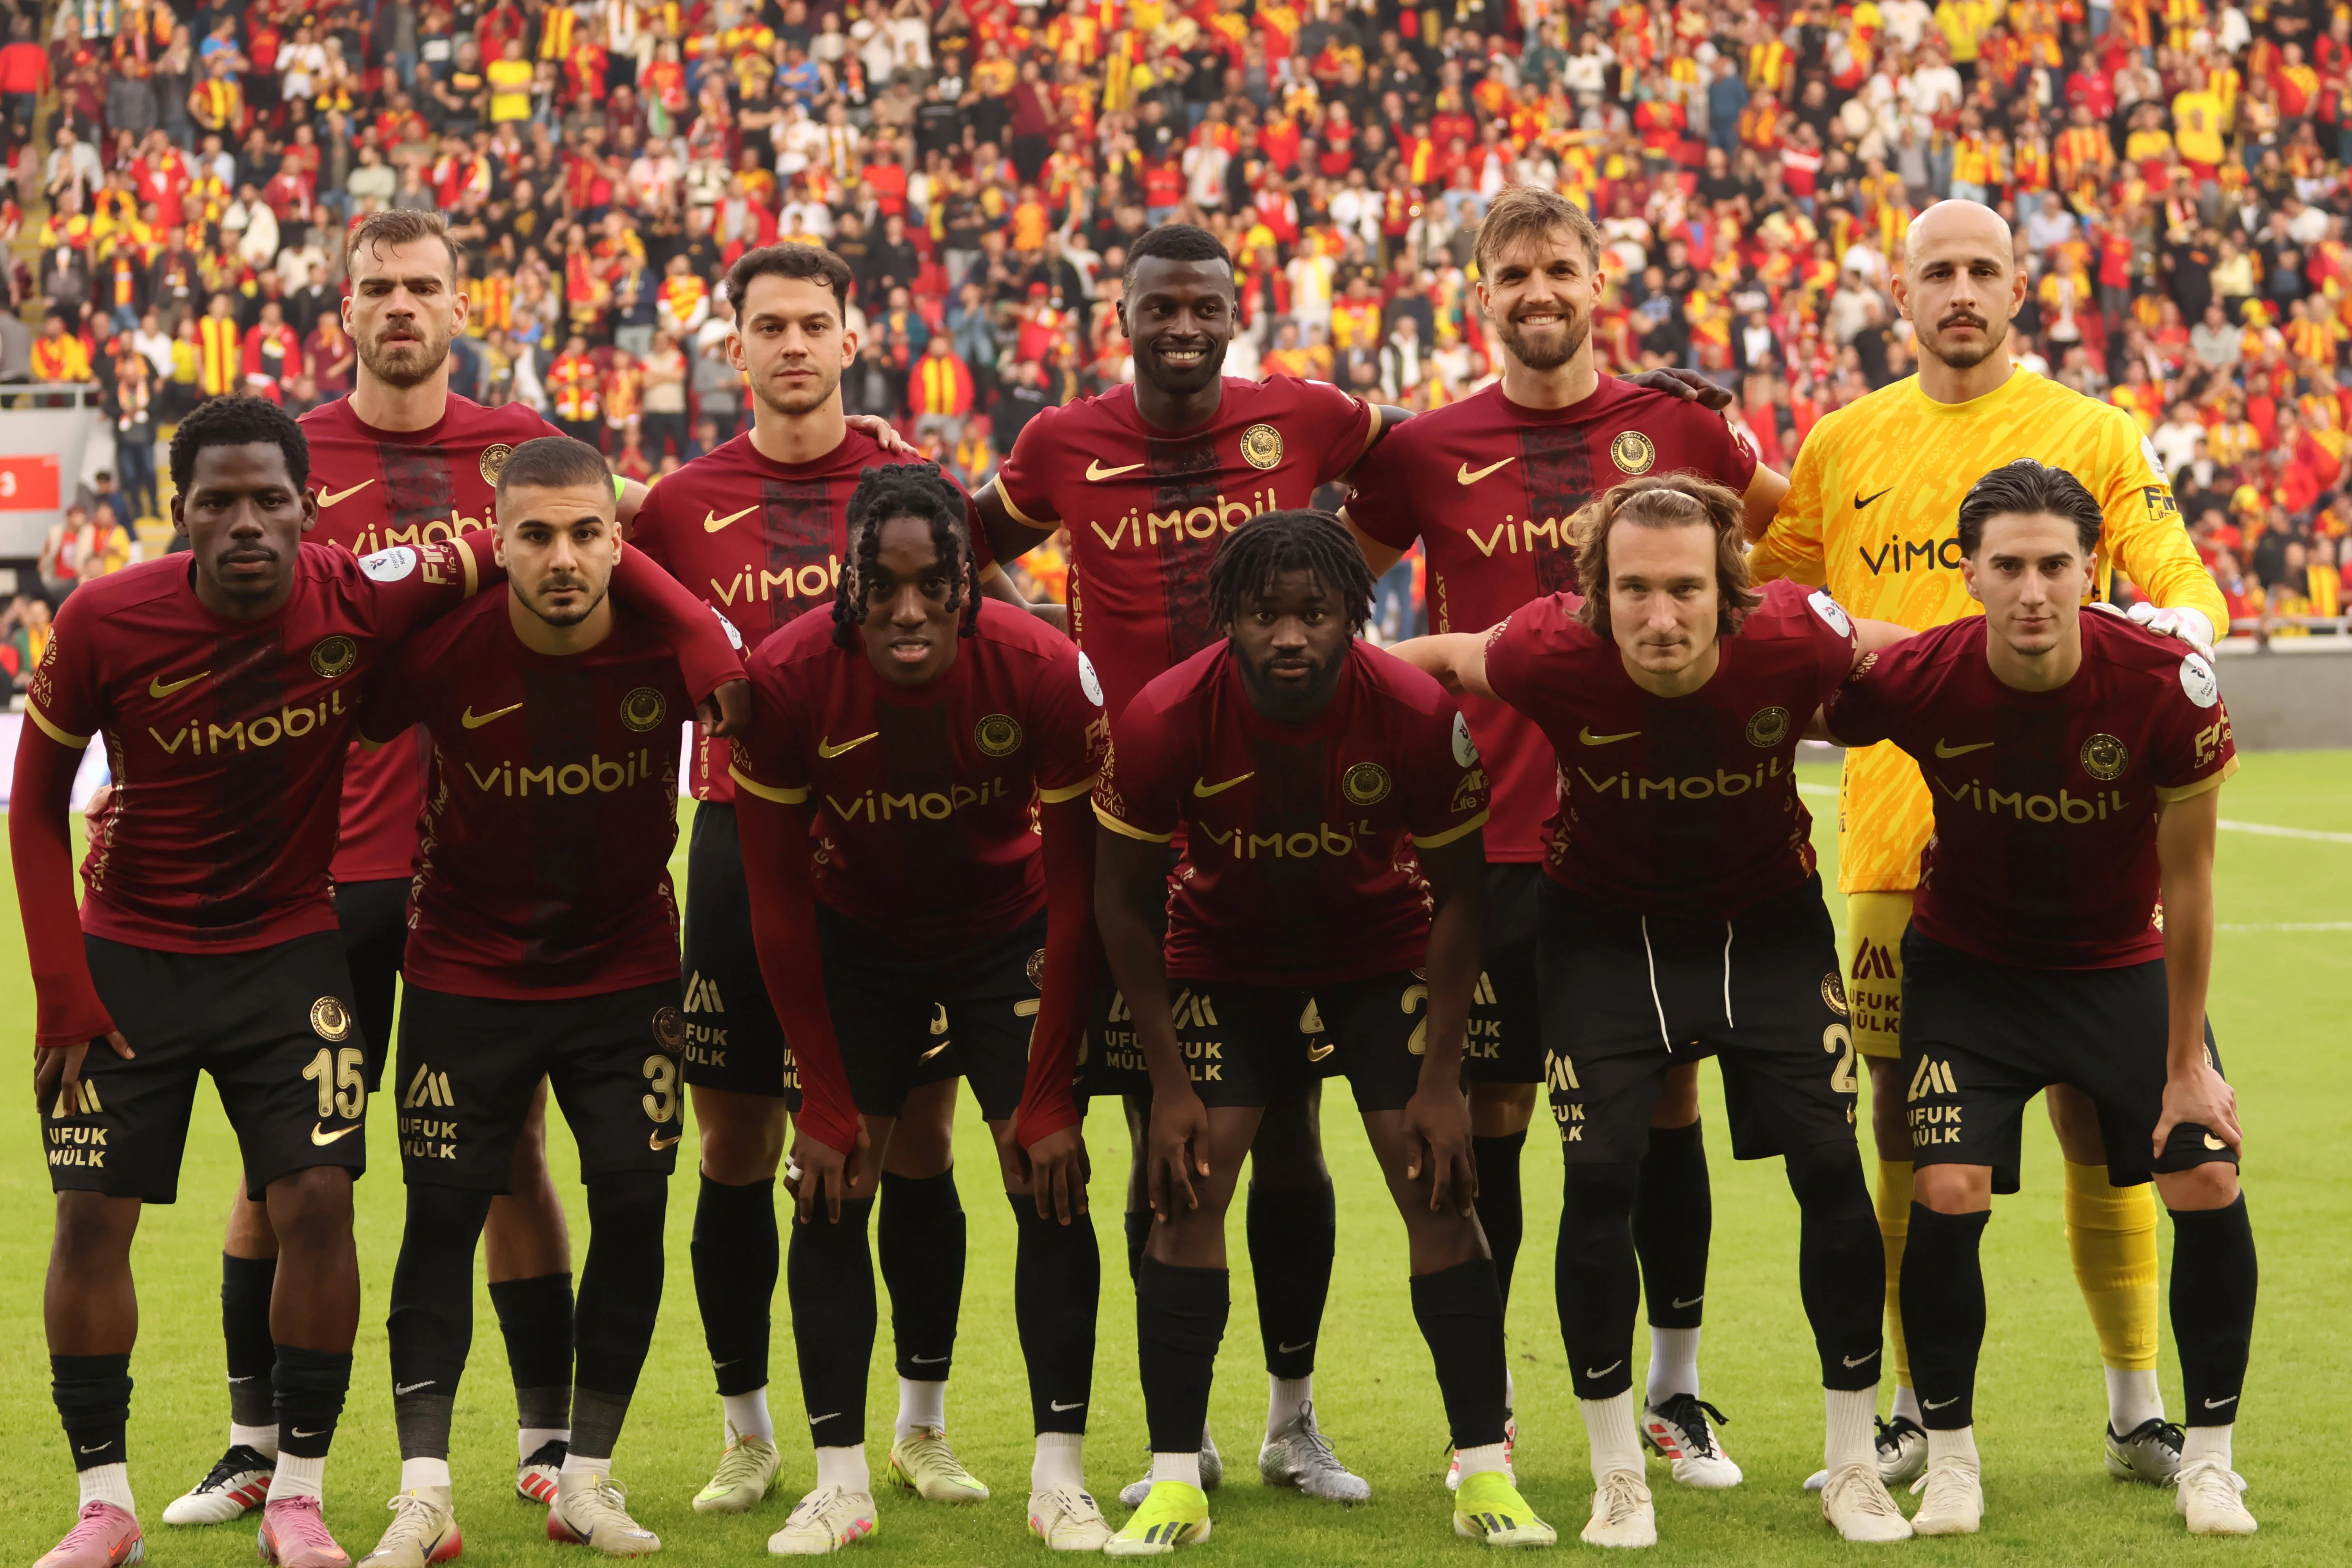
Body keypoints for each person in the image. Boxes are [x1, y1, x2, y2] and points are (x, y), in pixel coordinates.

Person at [1746, 198, 2234, 1488]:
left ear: (2020, 290)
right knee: (1914, 1143)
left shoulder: (2092, 431)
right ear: (1897, 296)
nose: (1960, 292)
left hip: (2076, 851)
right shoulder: (1846, 441)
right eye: (1936, 274)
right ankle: (1916, 1410)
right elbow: (1783, 584)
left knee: (2098, 1127)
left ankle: (2137, 1408)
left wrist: (2184, 628)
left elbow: (2176, 572)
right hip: (1895, 854)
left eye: (1983, 271)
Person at [1342, 183, 1786, 1490]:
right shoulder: (1424, 450)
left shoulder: (1681, 424)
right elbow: (1317, 582)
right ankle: (1497, 1408)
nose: (1539, 292)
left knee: (1663, 1100)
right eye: (1512, 273)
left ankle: (1676, 1394)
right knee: (1490, 1115)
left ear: (1600, 281)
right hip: (1484, 841)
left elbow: (1796, 530)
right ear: (1479, 297)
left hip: (1655, 835)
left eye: (1560, 268)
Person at [15, 396, 505, 1568]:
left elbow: (528, 527)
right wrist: (60, 985)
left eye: (270, 501)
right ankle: (104, 1505)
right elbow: (33, 808)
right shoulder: (102, 618)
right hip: (129, 957)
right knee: (90, 1218)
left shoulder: (359, 593)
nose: (246, 523)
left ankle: (296, 1492)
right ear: (178, 512)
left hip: (290, 950)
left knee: (318, 1205)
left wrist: (693, 631)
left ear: (308, 508)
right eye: (218, 502)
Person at [1391, 476, 1914, 1547]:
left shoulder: (1795, 633)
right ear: (1598, 589)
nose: (1660, 617)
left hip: (1765, 932)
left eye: (1685, 589)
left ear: (1731, 590)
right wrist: (1264, 693)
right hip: (1603, 936)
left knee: (1831, 1171)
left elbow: (1910, 655)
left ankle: (1855, 1464)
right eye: (1634, 590)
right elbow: (1438, 659)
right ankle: (1616, 1470)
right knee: (1597, 1178)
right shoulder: (1548, 646)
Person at [976, 223, 1409, 1503]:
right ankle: (1189, 1426)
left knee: (1292, 1130)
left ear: (1234, 313)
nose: (1182, 325)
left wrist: (1346, 583)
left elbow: (1418, 468)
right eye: (1158, 305)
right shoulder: (1062, 442)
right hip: (1135, 825)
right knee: (1161, 1132)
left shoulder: (1309, 416)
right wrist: (1058, 652)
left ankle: (1292, 1418)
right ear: (1123, 313)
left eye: (1203, 306)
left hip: (1286, 819)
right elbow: (970, 543)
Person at [628, 243, 1020, 1517]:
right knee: (737, 1143)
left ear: (853, 341)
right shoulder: (681, 504)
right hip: (747, 845)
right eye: (767, 327)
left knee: (915, 1138)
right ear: (730, 351)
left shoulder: (915, 486)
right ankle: (748, 1432)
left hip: (911, 858)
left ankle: (921, 1424)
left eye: (815, 324)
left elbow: (1002, 628)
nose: (792, 346)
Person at [1093, 509, 1552, 1554]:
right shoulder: (1166, 716)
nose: (1291, 635)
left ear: (1360, 611)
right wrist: (1167, 1083)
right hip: (1223, 961)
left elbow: (1460, 902)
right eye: (1265, 615)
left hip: (1373, 956)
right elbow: (1121, 902)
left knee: (1441, 1184)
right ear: (1227, 620)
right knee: (1189, 1192)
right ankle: (1175, 1480)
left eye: (1316, 612)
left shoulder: (1413, 710)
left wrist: (1441, 1078)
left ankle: (1484, 1473)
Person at [1817, 459, 2257, 1538]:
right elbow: (1793, 697)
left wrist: (2189, 1061)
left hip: (2119, 966)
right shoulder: (1925, 677)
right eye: (2006, 565)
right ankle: (1955, 1458)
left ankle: (2210, 1462)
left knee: (2204, 1182)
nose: (2031, 590)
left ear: (2091, 570)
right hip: (1971, 973)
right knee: (1949, 1188)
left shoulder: (2164, 685)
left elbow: (2192, 883)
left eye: (2054, 565)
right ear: (1967, 573)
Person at [351, 436, 746, 1565]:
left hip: (625, 973)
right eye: (536, 535)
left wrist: (680, 619)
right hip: (462, 970)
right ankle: (422, 1493)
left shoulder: (664, 643)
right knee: (440, 1214)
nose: (563, 557)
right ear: (499, 540)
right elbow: (351, 690)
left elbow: (741, 674)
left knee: (632, 1204)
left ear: (619, 545)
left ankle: (585, 1478)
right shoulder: (445, 648)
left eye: (587, 534)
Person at [729, 461, 1111, 1553]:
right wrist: (826, 1092)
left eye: (932, 582)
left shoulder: (1041, 668)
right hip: (857, 937)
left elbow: (1079, 897)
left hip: (1009, 929)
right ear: (847, 580)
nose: (906, 610)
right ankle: (839, 1482)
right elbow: (778, 906)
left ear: (968, 583)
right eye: (881, 585)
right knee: (834, 1181)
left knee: (1048, 1174)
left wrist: (1046, 1095)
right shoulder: (791, 677)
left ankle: (1060, 1478)